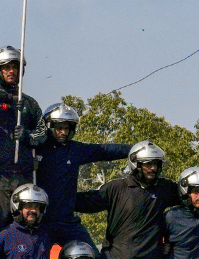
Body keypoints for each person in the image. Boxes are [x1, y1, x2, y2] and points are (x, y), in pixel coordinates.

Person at [75, 141, 181, 259]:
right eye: (148, 164)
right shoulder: (117, 187)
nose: (153, 168)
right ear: (135, 164)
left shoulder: (164, 188)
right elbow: (87, 202)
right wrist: (57, 197)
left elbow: (194, 193)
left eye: (156, 164)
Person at [33, 103, 130, 249]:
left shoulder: (75, 149)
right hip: (40, 222)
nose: (64, 132)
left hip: (67, 221)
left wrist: (134, 149)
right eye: (60, 127)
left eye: (67, 128)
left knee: (93, 258)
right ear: (49, 126)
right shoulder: (34, 147)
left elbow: (103, 150)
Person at [0, 46, 44, 228]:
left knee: (26, 224)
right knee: (0, 224)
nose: (11, 71)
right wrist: (10, 99)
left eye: (15, 67)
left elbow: (43, 133)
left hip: (23, 174)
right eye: (6, 67)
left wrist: (28, 136)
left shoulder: (29, 103)